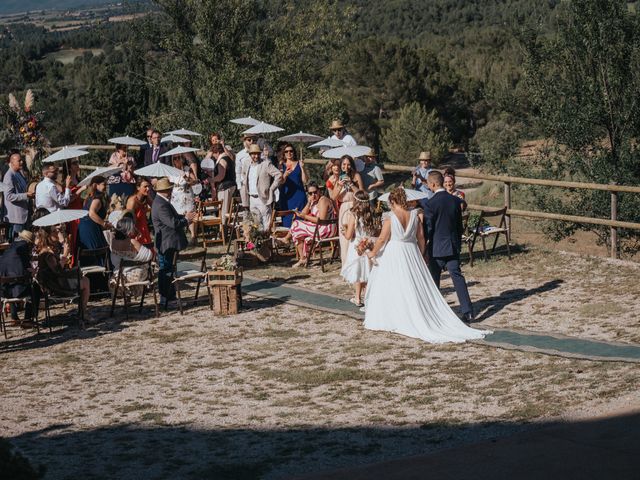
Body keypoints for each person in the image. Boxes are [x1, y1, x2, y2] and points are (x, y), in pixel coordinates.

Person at [363, 186, 490, 342]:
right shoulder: (414, 216)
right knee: (413, 283)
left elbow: (382, 239)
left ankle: (396, 315)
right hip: (411, 251)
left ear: (393, 201)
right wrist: (422, 253)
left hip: (395, 251)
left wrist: (372, 253)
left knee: (394, 283)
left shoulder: (390, 218)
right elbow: (421, 238)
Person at [424, 171, 475, 324]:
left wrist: (425, 245)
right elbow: (459, 226)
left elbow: (429, 228)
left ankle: (434, 311)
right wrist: (457, 243)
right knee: (458, 278)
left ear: (433, 184)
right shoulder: (455, 200)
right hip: (452, 246)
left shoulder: (430, 203)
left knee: (434, 281)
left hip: (436, 248)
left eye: (428, 183)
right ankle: (468, 312)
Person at [151, 177, 196, 304]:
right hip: (167, 242)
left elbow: (173, 218)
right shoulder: (161, 204)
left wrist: (184, 217)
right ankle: (166, 298)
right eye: (169, 189)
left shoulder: (162, 202)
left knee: (169, 269)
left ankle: (169, 297)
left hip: (168, 241)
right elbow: (172, 223)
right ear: (165, 190)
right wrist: (186, 220)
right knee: (166, 270)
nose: (171, 192)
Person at [35, 228, 94, 324]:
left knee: (83, 278)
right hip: (56, 286)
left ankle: (82, 311)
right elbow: (57, 270)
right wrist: (65, 255)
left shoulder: (49, 249)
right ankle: (82, 312)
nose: (57, 233)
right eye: (54, 232)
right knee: (86, 281)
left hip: (55, 282)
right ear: (48, 236)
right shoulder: (46, 253)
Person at [278, 182, 337, 267]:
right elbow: (302, 214)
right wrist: (309, 203)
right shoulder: (313, 201)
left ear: (319, 191)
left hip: (327, 228)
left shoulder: (323, 200)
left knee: (296, 224)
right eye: (310, 193)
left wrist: (304, 216)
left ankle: (287, 239)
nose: (313, 195)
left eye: (315, 192)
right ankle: (303, 258)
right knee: (298, 232)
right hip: (319, 227)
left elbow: (322, 219)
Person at [340, 190, 381, 307]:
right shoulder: (372, 213)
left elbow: (348, 236)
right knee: (367, 272)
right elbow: (376, 231)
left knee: (358, 273)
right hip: (368, 244)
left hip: (357, 246)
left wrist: (343, 231)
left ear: (356, 201)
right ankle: (368, 298)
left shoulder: (354, 215)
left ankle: (357, 298)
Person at [329, 155, 364, 266]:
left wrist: (351, 184)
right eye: (344, 164)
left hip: (355, 207)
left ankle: (357, 264)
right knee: (345, 239)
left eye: (348, 164)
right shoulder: (338, 178)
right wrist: (339, 186)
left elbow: (362, 194)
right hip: (344, 209)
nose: (346, 166)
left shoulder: (356, 176)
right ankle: (346, 266)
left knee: (355, 236)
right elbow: (333, 197)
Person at [240, 144, 283, 232]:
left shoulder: (266, 164)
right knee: (256, 224)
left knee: (266, 223)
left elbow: (278, 175)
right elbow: (244, 177)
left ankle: (267, 242)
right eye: (253, 154)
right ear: (250, 154)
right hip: (251, 197)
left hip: (263, 197)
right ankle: (257, 242)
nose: (256, 156)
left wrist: (272, 188)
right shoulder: (247, 164)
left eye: (257, 154)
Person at [0, 230, 39, 326]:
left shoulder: (10, 248)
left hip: (3, 291)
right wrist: (33, 272)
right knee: (35, 288)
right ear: (29, 242)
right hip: (18, 289)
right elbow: (28, 269)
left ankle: (14, 317)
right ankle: (27, 320)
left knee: (10, 284)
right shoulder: (23, 247)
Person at [109, 216, 154, 297]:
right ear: (129, 229)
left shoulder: (113, 242)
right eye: (133, 227)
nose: (134, 228)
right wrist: (137, 244)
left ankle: (127, 299)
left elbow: (116, 260)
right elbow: (149, 255)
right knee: (145, 268)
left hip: (118, 277)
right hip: (134, 276)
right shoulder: (132, 242)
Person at [167, 154, 198, 244]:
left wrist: (185, 176)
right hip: (176, 196)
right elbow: (168, 183)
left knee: (191, 215)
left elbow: (195, 181)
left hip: (187, 195)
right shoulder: (170, 171)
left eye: (178, 158)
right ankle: (180, 236)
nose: (176, 160)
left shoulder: (187, 169)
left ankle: (193, 236)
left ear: (182, 159)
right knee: (177, 215)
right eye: (174, 158)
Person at [3, 152, 34, 239]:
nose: (22, 162)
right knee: (18, 244)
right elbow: (9, 196)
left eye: (22, 160)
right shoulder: (9, 176)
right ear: (12, 162)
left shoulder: (19, 173)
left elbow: (25, 189)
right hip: (16, 219)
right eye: (19, 161)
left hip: (25, 216)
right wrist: (26, 195)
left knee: (25, 244)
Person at [278, 143, 307, 228]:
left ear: (294, 152)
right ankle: (288, 239)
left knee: (300, 220)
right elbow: (280, 183)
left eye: (291, 151)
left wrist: (303, 168)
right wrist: (285, 175)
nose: (289, 153)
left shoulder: (299, 164)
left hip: (299, 195)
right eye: (286, 151)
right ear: (284, 153)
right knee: (287, 221)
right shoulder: (281, 165)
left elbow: (305, 181)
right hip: (287, 197)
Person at [78, 176, 110, 252]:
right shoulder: (97, 200)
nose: (106, 187)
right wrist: (104, 224)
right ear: (96, 185)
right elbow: (91, 213)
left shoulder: (88, 198)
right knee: (97, 251)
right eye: (103, 184)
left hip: (83, 228)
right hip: (91, 229)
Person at [208, 143, 236, 219]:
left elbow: (221, 176)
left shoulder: (222, 160)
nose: (214, 157)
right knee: (227, 210)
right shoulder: (227, 157)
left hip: (225, 187)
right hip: (230, 186)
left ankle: (224, 228)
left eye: (213, 154)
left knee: (224, 210)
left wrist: (211, 180)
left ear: (217, 152)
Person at [125, 178, 153, 246]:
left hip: (144, 228)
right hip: (135, 231)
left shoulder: (146, 198)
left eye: (149, 186)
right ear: (138, 187)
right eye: (145, 186)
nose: (148, 188)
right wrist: (136, 232)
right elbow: (128, 220)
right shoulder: (132, 201)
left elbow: (155, 207)